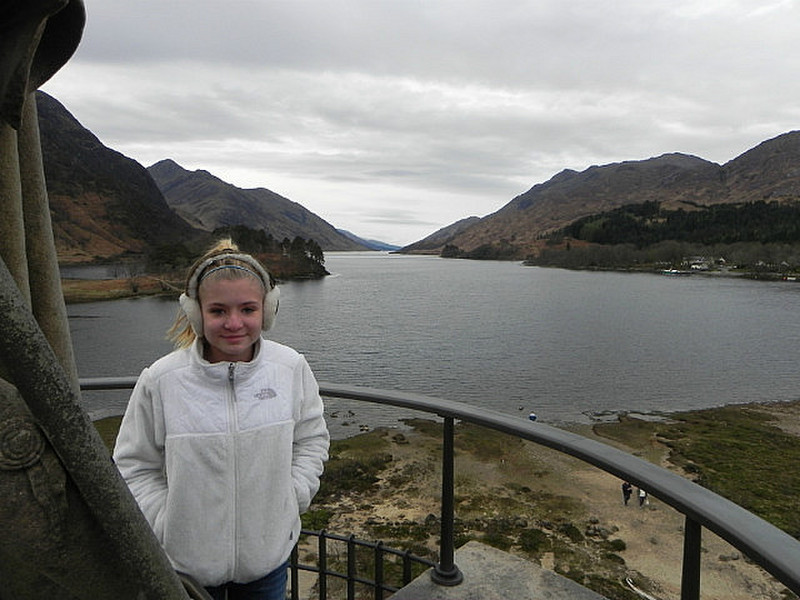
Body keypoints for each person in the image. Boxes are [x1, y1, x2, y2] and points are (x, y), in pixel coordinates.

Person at [113, 239, 330, 600]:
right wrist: (167, 523)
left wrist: (292, 496)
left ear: (268, 310)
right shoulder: (161, 380)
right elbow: (133, 465)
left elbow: (311, 440)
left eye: (247, 309)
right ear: (196, 313)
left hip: (268, 562)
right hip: (186, 570)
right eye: (218, 311)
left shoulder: (290, 368)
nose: (234, 323)